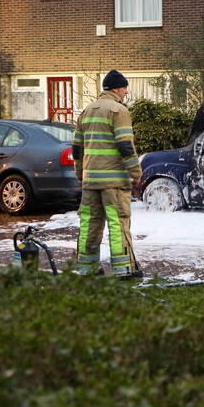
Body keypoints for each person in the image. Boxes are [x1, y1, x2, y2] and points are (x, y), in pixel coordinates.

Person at [72, 70, 142, 277]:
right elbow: (125, 145)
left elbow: (77, 148)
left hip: (91, 180)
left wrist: (80, 173)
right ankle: (124, 269)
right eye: (125, 88)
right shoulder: (117, 110)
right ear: (118, 88)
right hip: (113, 181)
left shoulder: (86, 111)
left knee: (89, 222)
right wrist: (135, 172)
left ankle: (87, 268)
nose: (126, 92)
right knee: (117, 221)